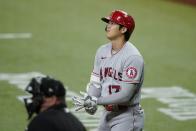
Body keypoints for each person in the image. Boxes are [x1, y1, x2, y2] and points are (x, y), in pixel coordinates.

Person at [73, 10, 144, 131]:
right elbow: (96, 83)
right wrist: (90, 99)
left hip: (126, 116)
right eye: (108, 23)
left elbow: (125, 96)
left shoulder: (133, 58)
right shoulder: (102, 51)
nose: (108, 26)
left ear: (123, 30)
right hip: (106, 114)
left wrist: (97, 100)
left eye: (113, 23)